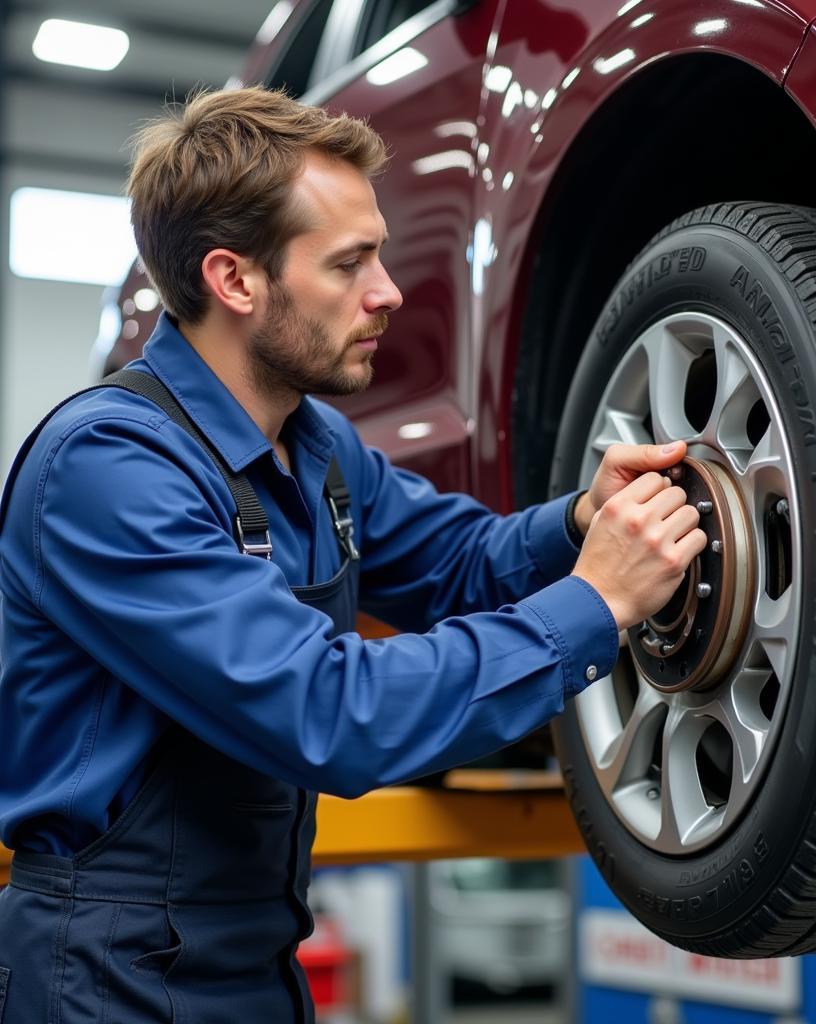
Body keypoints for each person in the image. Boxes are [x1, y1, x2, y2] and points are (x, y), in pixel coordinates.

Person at [0, 87, 706, 1022]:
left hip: (254, 955)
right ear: (235, 280)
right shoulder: (108, 469)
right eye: (350, 263)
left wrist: (581, 522)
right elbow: (331, 715)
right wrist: (598, 602)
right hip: (106, 973)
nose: (389, 292)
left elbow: (459, 564)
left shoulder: (317, 444)